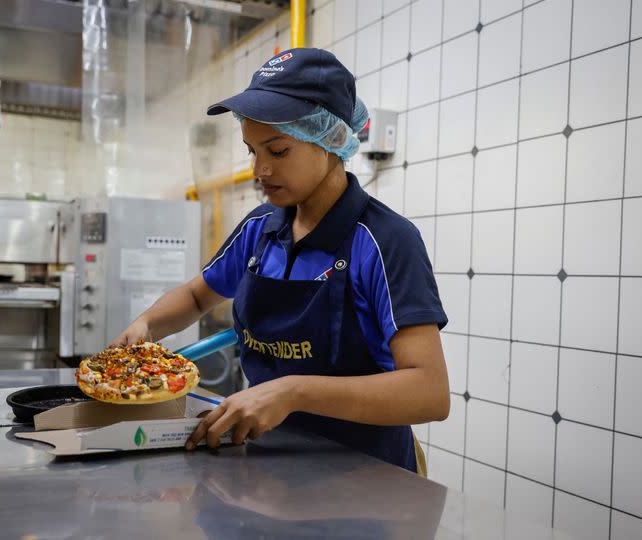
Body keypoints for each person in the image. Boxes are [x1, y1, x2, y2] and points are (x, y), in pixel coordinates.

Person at [114, 47, 449, 474]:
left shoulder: (383, 240)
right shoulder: (260, 228)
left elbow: (430, 392)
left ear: (328, 139)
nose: (259, 170)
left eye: (278, 151)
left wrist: (293, 392)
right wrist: (147, 325)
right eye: (252, 151)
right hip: (270, 466)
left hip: (366, 479)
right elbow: (198, 296)